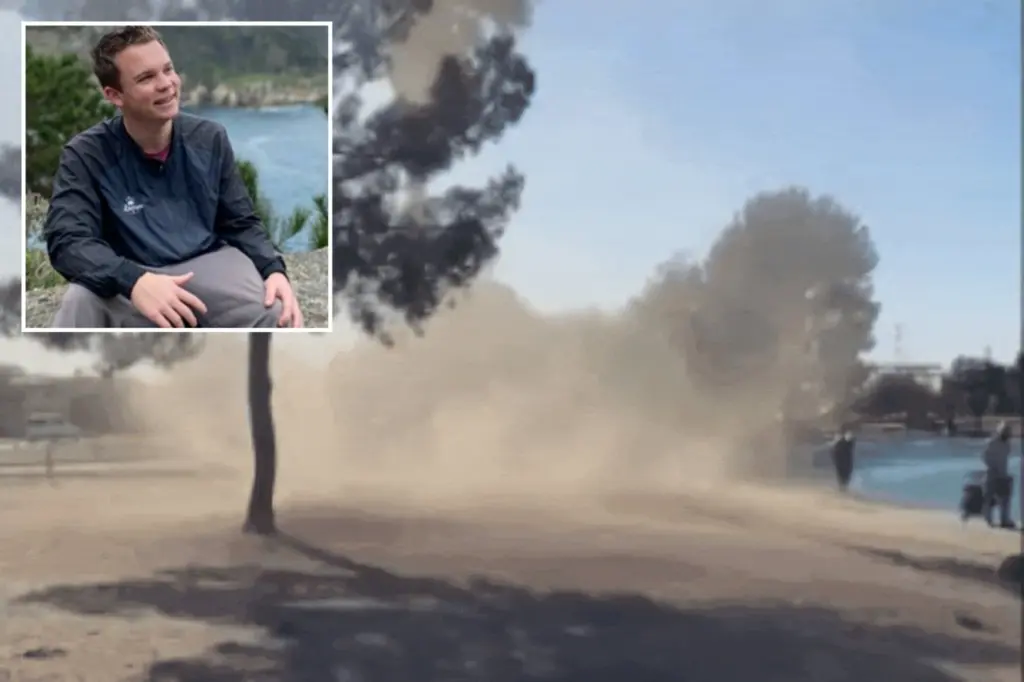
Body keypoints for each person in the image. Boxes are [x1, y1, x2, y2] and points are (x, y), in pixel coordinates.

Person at [43, 25, 304, 329]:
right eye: (146, 78)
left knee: (277, 312)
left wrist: (273, 269)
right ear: (114, 95)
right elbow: (68, 241)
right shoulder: (86, 155)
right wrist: (133, 279)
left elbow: (241, 222)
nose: (166, 84)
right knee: (80, 301)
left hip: (207, 264)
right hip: (130, 277)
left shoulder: (209, 138)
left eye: (168, 70)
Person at [981, 421, 1014, 528]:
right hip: (991, 473)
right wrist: (993, 468)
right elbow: (984, 457)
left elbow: (1005, 459)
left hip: (1003, 474)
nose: (1008, 434)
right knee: (989, 497)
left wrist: (1005, 472)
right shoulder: (991, 442)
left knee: (1005, 498)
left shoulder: (1007, 445)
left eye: (1008, 432)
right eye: (1005, 432)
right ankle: (988, 519)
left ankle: (1004, 520)